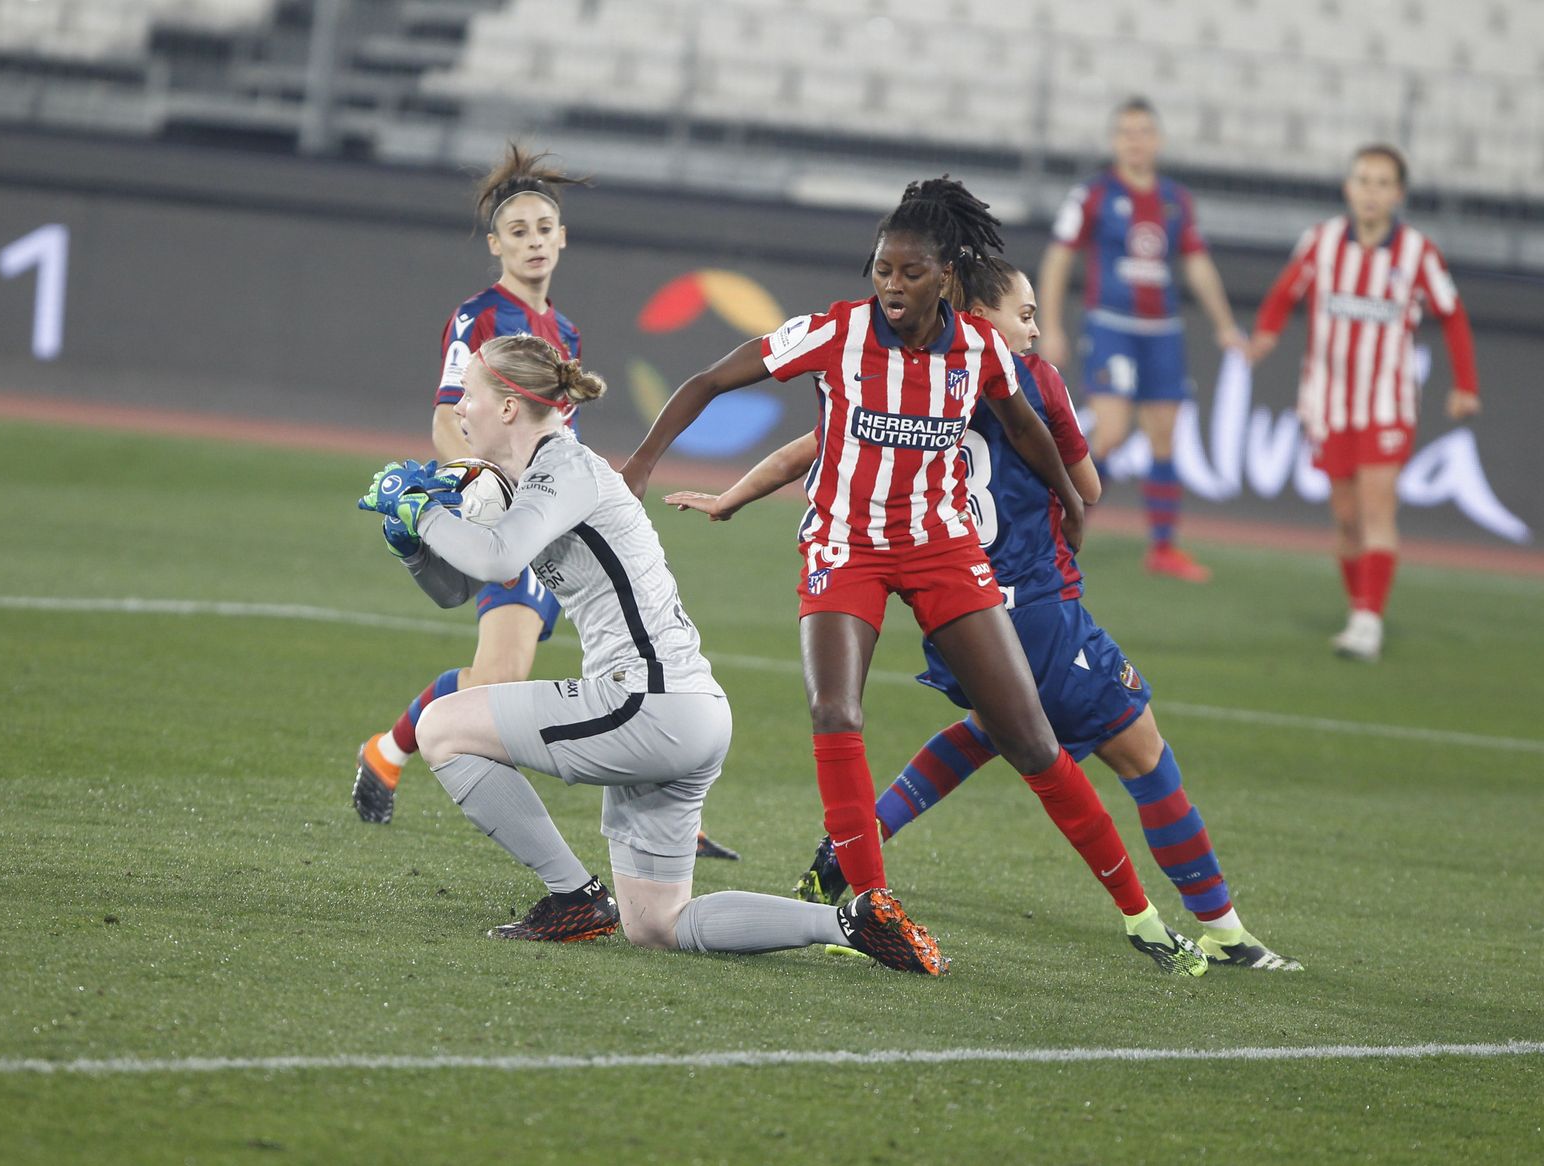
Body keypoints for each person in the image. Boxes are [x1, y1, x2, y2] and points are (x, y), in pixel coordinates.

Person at [624, 176, 1208, 976]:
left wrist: (1071, 499)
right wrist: (642, 463)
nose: (890, 287)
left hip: (941, 549)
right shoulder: (833, 333)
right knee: (835, 708)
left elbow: (1026, 428)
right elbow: (708, 381)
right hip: (846, 545)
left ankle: (1141, 916)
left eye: (908, 274)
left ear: (944, 275)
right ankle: (870, 908)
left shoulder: (978, 348)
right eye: (881, 270)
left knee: (1031, 739)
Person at [355, 334, 937, 971]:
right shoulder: (526, 480)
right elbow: (455, 589)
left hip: (646, 702)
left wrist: (426, 514)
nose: (458, 409)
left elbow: (497, 561)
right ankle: (854, 922)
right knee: (657, 924)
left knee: (442, 726)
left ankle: (572, 897)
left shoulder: (564, 467)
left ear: (509, 407)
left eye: (469, 394)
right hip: (685, 710)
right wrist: (411, 542)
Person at [348, 140, 739, 859]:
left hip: (555, 519)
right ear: (495, 244)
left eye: (543, 229)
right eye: (517, 231)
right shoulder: (480, 319)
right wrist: (485, 495)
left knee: (613, 649)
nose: (532, 242)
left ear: (563, 238)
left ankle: (668, 793)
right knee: (504, 678)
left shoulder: (564, 329)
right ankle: (392, 749)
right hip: (516, 518)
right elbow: (446, 416)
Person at [1249, 143, 1480, 662]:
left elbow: (1453, 314)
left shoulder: (1418, 253)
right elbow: (1286, 292)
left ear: (1397, 194)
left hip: (1386, 403)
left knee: (1377, 507)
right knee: (1346, 516)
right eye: (1363, 180)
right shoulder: (1321, 242)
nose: (1371, 192)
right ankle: (1359, 609)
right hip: (1327, 402)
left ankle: (1368, 621)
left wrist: (1466, 384)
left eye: (1382, 183)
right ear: (1348, 188)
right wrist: (1265, 335)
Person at [1038, 96, 1246, 583]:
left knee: (1163, 436)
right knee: (1110, 433)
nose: (1136, 142)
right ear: (1115, 142)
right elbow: (1058, 259)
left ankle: (1163, 547)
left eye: (1144, 132)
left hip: (1163, 332)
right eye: (1127, 133)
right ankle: (1061, 527)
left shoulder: (1176, 200)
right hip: (1112, 326)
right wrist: (1052, 324)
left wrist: (1223, 324)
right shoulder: (1092, 195)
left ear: (1158, 140)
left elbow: (1195, 262)